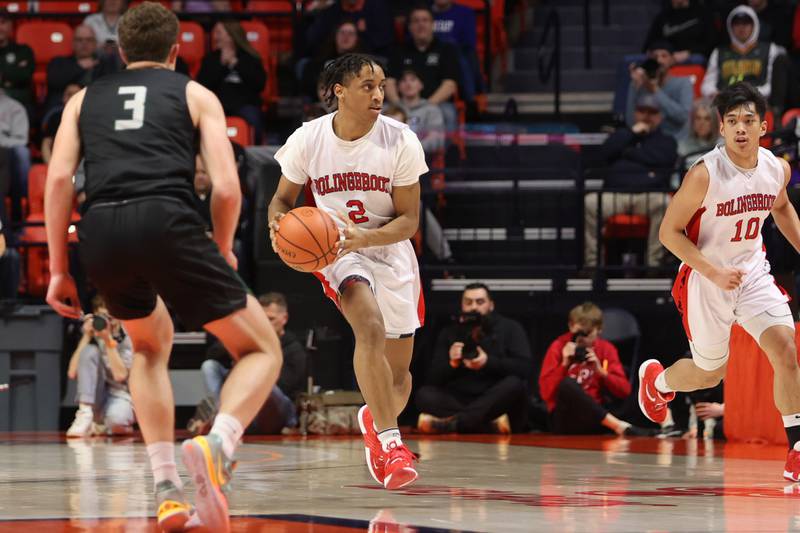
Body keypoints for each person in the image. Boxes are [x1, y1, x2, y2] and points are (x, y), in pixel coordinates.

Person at [43, 4, 283, 532]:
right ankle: (218, 444)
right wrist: (220, 248)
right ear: (178, 52)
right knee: (261, 348)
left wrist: (59, 269)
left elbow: (59, 182)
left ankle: (167, 488)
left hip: (100, 229)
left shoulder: (82, 101)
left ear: (120, 52)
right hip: (166, 218)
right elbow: (225, 186)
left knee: (149, 346)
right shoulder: (196, 93)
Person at [269, 53, 427, 490]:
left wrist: (368, 238)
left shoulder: (401, 141)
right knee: (369, 327)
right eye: (367, 86)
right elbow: (281, 201)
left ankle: (376, 419)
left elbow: (409, 221)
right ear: (339, 91)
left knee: (398, 378)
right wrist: (277, 225)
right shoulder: (309, 138)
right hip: (337, 249)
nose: (379, 94)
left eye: (381, 85)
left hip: (389, 251)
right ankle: (392, 441)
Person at [638, 82, 800, 482]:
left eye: (748, 120)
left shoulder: (776, 167)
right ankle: (657, 381)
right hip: (703, 278)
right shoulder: (703, 174)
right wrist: (712, 271)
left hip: (752, 271)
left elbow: (781, 207)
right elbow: (668, 233)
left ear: (764, 126)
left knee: (786, 349)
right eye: (732, 122)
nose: (740, 128)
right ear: (722, 129)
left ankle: (797, 450)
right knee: (711, 373)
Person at [415, 283, 531, 434]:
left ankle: (455, 424)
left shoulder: (510, 328)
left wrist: (488, 362)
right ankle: (487, 424)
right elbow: (432, 378)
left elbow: (525, 367)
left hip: (494, 396)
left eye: (480, 302)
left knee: (515, 385)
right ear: (462, 305)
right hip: (460, 397)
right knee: (424, 395)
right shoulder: (449, 332)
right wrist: (452, 363)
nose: (474, 307)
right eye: (468, 302)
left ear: (491, 305)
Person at [193, 292, 307, 435]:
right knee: (209, 366)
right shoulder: (250, 340)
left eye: (270, 319)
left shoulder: (293, 348)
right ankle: (222, 419)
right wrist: (235, 350)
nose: (266, 324)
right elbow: (212, 354)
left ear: (284, 318)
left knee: (266, 384)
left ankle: (225, 420)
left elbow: (286, 387)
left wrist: (251, 372)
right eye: (261, 319)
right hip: (247, 403)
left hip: (280, 410)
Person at [584, 94, 676, 268]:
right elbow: (603, 154)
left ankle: (654, 265)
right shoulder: (622, 136)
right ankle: (593, 265)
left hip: (648, 196)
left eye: (652, 112)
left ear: (660, 116)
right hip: (616, 195)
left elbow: (664, 159)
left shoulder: (666, 141)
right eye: (642, 111)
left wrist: (628, 153)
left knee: (665, 203)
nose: (647, 116)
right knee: (590, 203)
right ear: (635, 113)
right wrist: (631, 134)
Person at [539, 302, 651, 436]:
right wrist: (564, 364)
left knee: (642, 389)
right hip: (566, 418)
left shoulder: (605, 349)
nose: (581, 339)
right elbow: (545, 394)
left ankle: (666, 425)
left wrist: (601, 372)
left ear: (599, 330)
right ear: (570, 326)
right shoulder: (558, 346)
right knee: (567, 384)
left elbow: (624, 391)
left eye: (586, 334)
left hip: (595, 416)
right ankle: (619, 426)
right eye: (577, 333)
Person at [66, 296, 136, 437]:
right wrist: (86, 337)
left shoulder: (128, 336)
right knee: (89, 351)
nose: (108, 321)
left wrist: (108, 340)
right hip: (98, 396)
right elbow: (72, 373)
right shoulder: (95, 333)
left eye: (112, 315)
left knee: (116, 423)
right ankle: (85, 413)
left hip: (123, 396)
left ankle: (105, 426)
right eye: (104, 316)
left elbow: (120, 376)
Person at [386, 4, 461, 135]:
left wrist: (425, 106)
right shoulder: (398, 50)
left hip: (434, 103)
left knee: (449, 113)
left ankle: (444, 154)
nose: (421, 25)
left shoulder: (447, 50)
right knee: (382, 112)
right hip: (402, 103)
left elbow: (450, 85)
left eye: (425, 20)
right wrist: (398, 105)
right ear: (410, 27)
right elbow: (389, 82)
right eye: (416, 21)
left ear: (433, 25)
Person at [197, 21, 267, 144]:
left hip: (244, 105)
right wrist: (222, 65)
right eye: (214, 33)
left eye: (219, 33)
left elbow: (259, 84)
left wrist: (236, 64)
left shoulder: (250, 58)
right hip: (217, 105)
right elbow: (202, 85)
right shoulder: (210, 59)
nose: (215, 37)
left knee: (253, 117)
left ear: (231, 36)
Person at [701, 6, 786, 105]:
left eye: (746, 23)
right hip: (725, 104)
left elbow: (773, 85)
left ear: (755, 25)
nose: (741, 27)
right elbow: (707, 85)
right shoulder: (719, 52)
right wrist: (715, 93)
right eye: (737, 23)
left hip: (758, 102)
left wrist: (748, 94)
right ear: (730, 26)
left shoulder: (770, 49)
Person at [625, 41, 693, 140]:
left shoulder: (683, 83)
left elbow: (682, 117)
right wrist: (634, 87)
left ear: (672, 60)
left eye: (664, 56)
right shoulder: (640, 84)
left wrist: (655, 90)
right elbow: (630, 121)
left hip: (676, 141)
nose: (659, 60)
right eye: (655, 56)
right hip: (646, 140)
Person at [45, 25, 116, 114]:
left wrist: (80, 93)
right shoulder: (58, 62)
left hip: (95, 111)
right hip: (61, 110)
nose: (84, 43)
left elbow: (109, 89)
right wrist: (79, 67)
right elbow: (53, 81)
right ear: (73, 43)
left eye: (89, 40)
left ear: (95, 44)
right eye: (79, 40)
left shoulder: (105, 65)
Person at [301, 19, 365, 101]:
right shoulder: (320, 61)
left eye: (350, 33)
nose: (346, 37)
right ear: (335, 36)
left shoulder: (364, 63)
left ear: (357, 39)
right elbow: (309, 87)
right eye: (342, 33)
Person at [431, 0, 482, 101]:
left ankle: (470, 100)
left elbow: (469, 43)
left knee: (465, 56)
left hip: (455, 56)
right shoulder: (422, 13)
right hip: (426, 53)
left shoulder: (465, 13)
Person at [643, 0, 717, 62]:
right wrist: (663, 53)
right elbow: (648, 45)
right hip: (666, 64)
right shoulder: (662, 17)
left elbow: (712, 43)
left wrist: (690, 52)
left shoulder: (703, 13)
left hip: (695, 62)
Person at [0, 78, 29, 224]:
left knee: (22, 153)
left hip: (6, 153)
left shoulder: (14, 107)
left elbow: (21, 140)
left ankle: (23, 194)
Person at [397, 69, 445, 155]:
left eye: (413, 79)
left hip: (424, 159)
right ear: (398, 86)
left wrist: (412, 150)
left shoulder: (432, 110)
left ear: (421, 85)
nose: (408, 84)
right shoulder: (389, 109)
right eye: (404, 80)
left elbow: (436, 140)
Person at [0, 8, 34, 113]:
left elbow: (25, 75)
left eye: (3, 22)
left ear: (11, 26)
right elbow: (17, 75)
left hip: (18, 101)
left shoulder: (24, 50)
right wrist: (11, 73)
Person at [678, 99, 720, 169]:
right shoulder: (683, 147)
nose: (702, 123)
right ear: (693, 122)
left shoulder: (722, 147)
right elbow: (676, 177)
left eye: (707, 119)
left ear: (714, 122)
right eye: (698, 118)